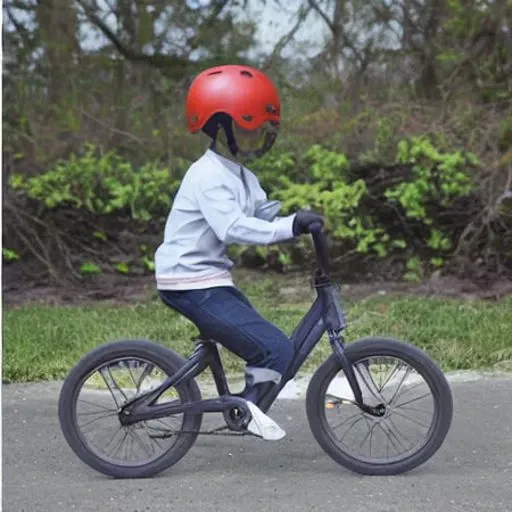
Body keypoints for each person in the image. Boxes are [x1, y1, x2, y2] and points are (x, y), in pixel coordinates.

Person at [154, 64, 323, 440]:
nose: (257, 136)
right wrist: (288, 226)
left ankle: (246, 405)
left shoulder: (240, 175)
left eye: (262, 129)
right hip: (190, 283)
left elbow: (259, 213)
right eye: (248, 127)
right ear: (218, 127)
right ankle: (246, 411)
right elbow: (233, 227)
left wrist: (300, 219)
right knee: (276, 349)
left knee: (271, 348)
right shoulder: (207, 176)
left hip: (210, 279)